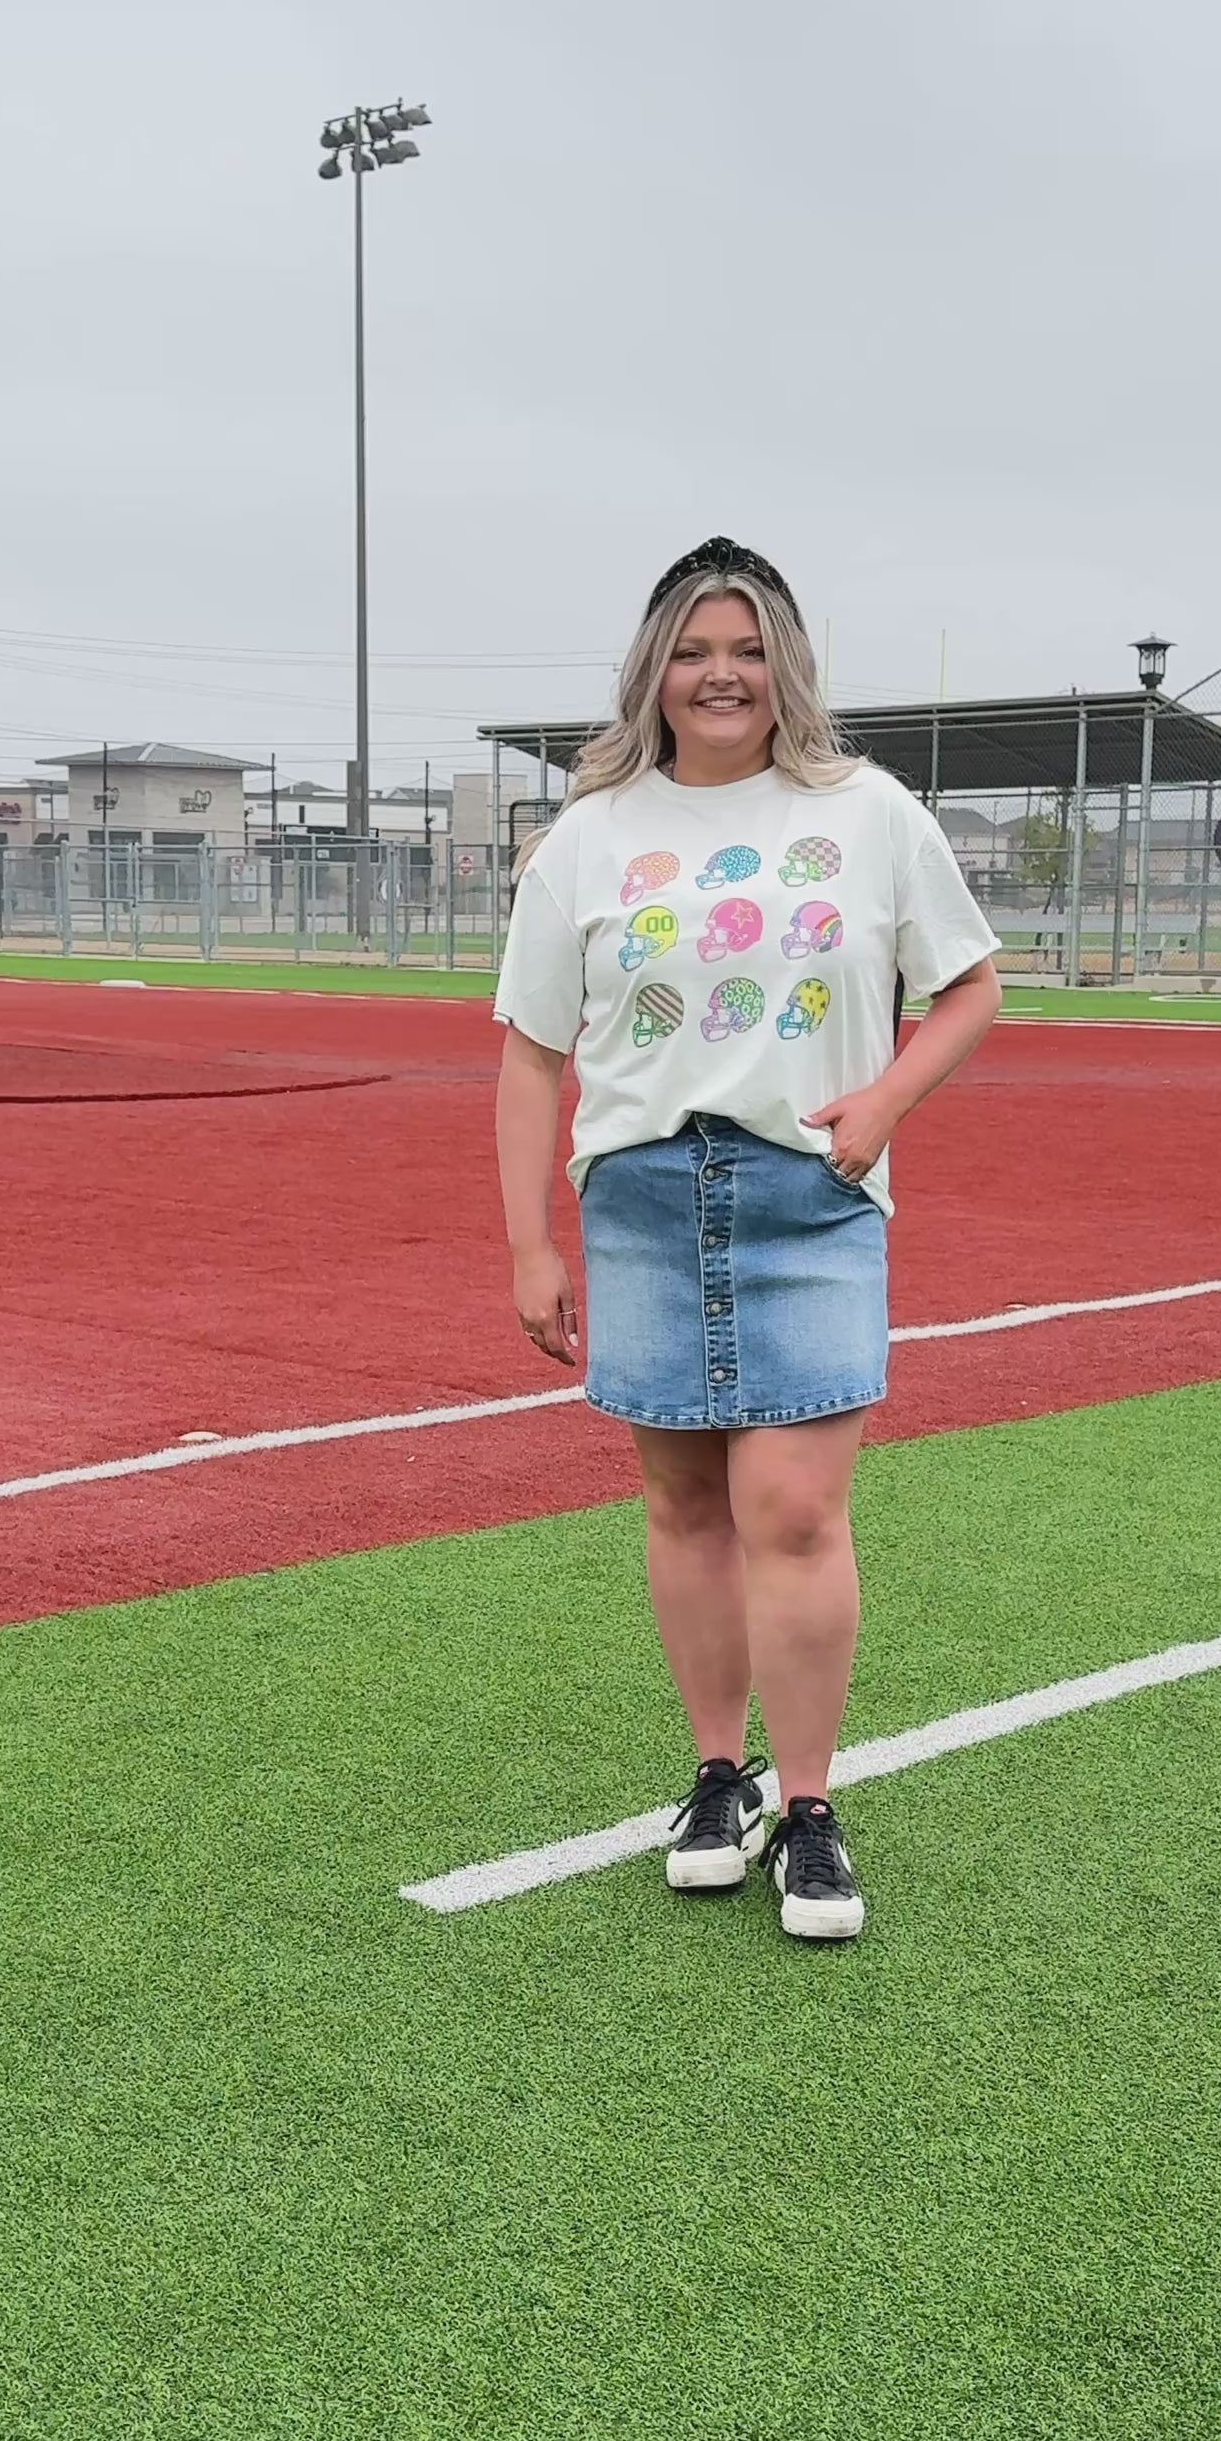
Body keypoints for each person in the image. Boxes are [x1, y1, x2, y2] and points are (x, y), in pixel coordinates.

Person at [494, 535, 1001, 1942]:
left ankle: (811, 1805)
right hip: (645, 1201)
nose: (722, 675)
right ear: (654, 670)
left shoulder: (868, 811)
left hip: (809, 1199)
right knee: (684, 1507)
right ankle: (717, 1776)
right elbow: (535, 1054)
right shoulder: (588, 833)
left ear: (786, 662)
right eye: (695, 650)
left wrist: (886, 1102)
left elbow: (968, 989)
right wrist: (533, 1247)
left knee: (795, 1510)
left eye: (748, 647)